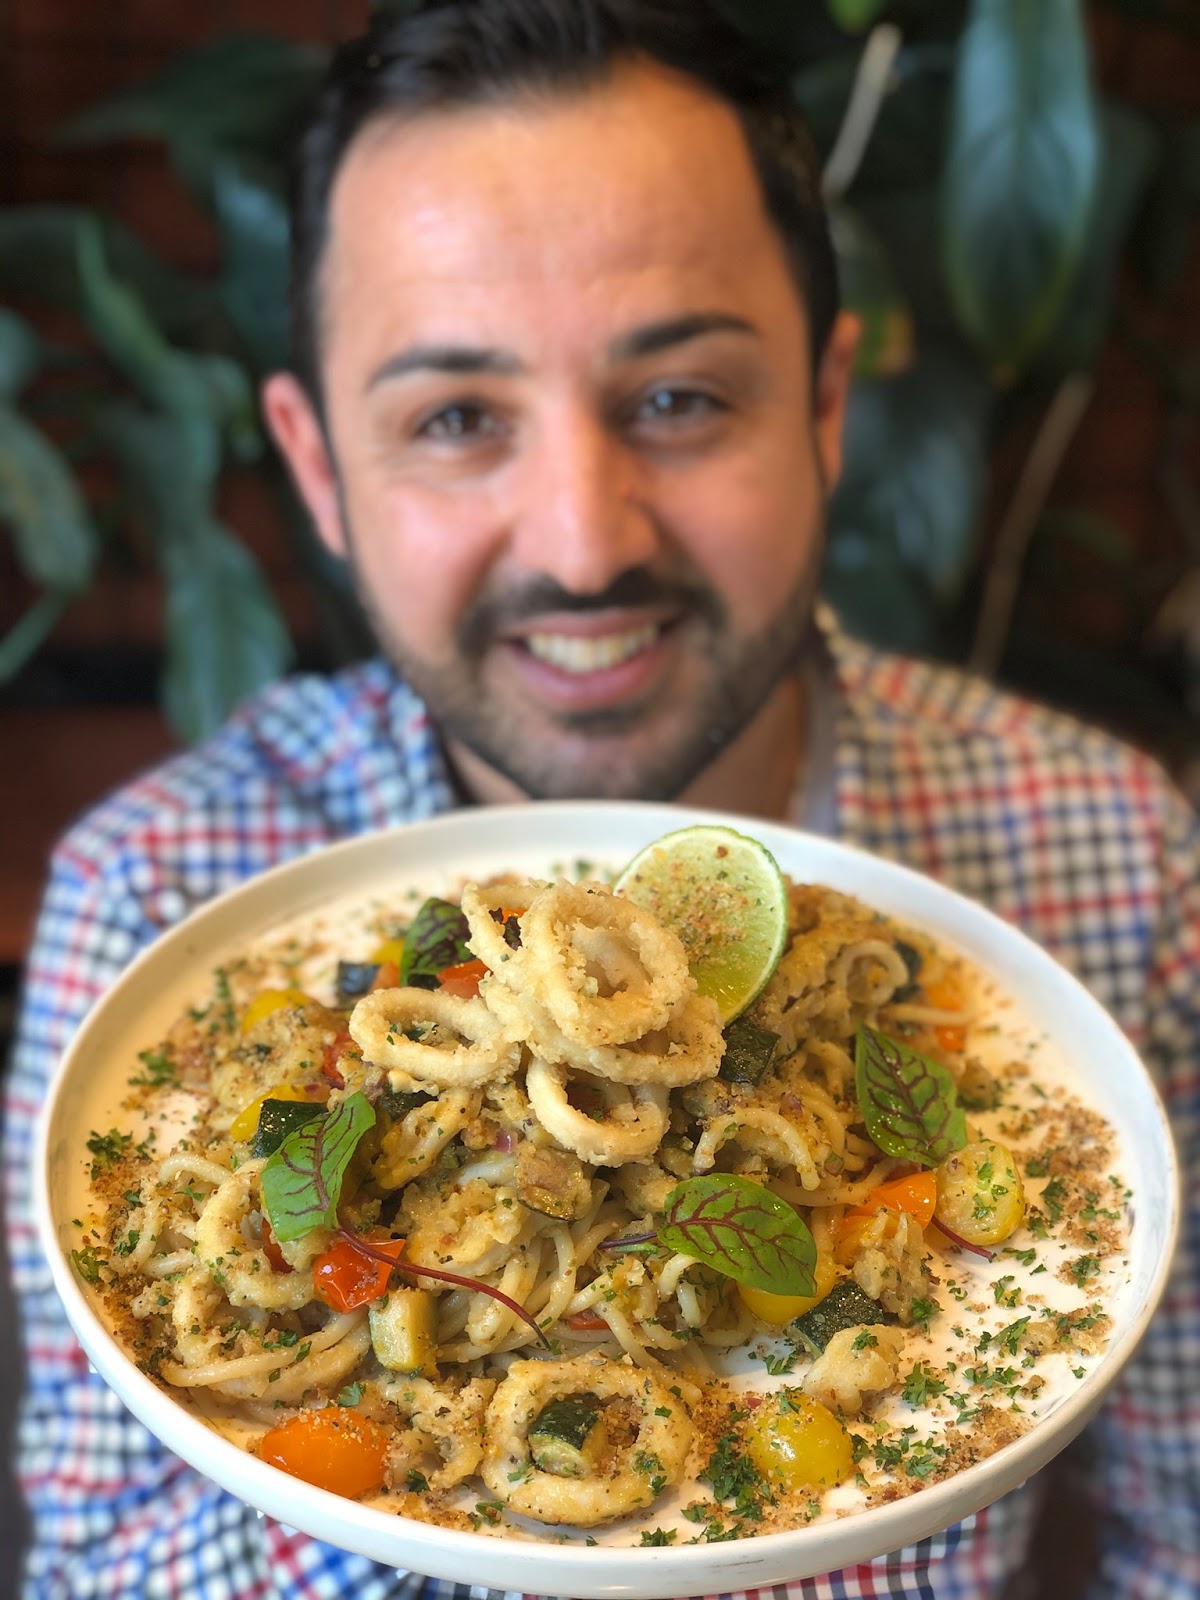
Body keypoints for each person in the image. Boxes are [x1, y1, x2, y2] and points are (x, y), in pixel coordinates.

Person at [3, 2, 1197, 1596]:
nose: (582, 540)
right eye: (455, 418)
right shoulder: (155, 881)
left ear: (827, 407)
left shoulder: (1112, 845)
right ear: (318, 467)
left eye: (680, 396)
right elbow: (96, 1559)